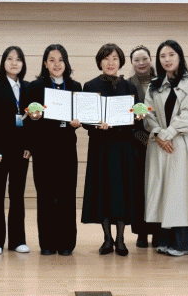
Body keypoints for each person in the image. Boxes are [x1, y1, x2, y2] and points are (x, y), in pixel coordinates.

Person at [144, 40, 188, 257]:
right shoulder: (154, 85)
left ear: (180, 57)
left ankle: (182, 244)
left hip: (180, 145)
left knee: (181, 193)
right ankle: (164, 240)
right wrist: (158, 133)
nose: (167, 59)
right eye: (162, 56)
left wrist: (167, 134)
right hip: (159, 145)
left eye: (171, 55)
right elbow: (147, 114)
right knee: (161, 192)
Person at [81, 43, 138, 257]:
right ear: (100, 62)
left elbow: (136, 120)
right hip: (100, 147)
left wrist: (122, 124)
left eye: (114, 58)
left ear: (120, 61)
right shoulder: (90, 86)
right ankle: (107, 239)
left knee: (121, 192)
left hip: (123, 147)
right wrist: (96, 125)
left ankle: (121, 239)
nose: (110, 62)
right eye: (106, 58)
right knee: (102, 191)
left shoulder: (129, 87)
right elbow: (85, 120)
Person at [28, 44, 82, 256]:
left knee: (67, 195)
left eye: (60, 60)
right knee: (46, 195)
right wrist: (34, 117)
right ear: (45, 63)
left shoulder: (75, 86)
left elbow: (83, 117)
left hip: (67, 148)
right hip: (43, 149)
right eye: (52, 60)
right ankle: (47, 243)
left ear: (66, 62)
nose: (56, 64)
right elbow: (27, 118)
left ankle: (66, 243)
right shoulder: (35, 86)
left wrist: (78, 122)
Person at [0, 46, 32, 255]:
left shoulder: (28, 87)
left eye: (18, 59)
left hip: (21, 152)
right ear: (3, 63)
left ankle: (17, 240)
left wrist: (29, 146)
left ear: (23, 64)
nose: (14, 63)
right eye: (10, 59)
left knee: (17, 196)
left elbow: (31, 122)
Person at [127, 45, 160, 249]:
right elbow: (124, 116)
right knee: (139, 190)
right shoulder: (127, 85)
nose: (141, 63)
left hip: (160, 142)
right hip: (136, 145)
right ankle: (141, 232)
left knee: (157, 188)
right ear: (131, 63)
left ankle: (157, 232)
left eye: (144, 58)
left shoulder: (161, 82)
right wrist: (141, 137)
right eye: (137, 60)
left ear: (151, 59)